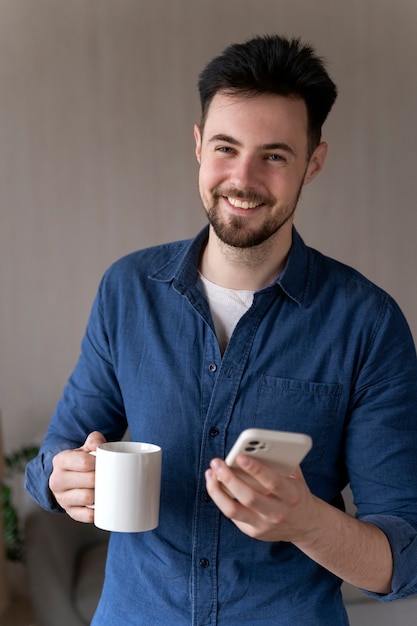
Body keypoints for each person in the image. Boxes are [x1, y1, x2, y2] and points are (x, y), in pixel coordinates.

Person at [26, 34, 417, 625]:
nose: (243, 177)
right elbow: (53, 458)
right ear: (198, 146)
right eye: (226, 148)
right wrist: (63, 478)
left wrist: (306, 522)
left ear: (314, 161)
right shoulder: (127, 289)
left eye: (275, 155)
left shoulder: (369, 324)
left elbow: (402, 561)